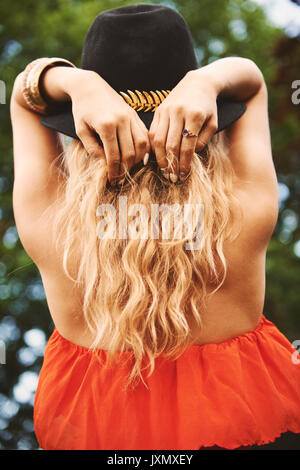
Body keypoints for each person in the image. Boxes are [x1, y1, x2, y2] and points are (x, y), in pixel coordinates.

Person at [10, 3, 300, 451]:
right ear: (203, 120)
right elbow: (254, 82)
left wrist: (76, 82)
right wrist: (207, 81)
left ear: (82, 130)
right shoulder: (247, 209)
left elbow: (21, 96)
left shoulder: (52, 224)